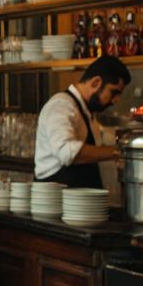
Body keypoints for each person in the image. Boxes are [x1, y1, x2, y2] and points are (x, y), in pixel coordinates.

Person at [34, 55, 130, 188]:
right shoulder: (61, 105)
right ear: (96, 82)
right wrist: (120, 151)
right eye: (114, 92)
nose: (115, 100)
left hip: (79, 203)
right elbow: (67, 153)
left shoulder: (85, 111)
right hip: (58, 203)